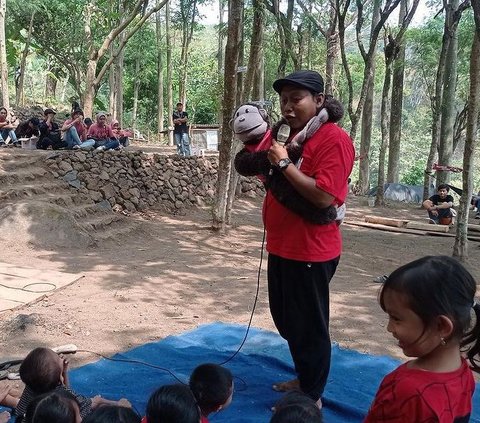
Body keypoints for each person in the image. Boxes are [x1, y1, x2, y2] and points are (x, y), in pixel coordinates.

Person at [263, 70, 355, 408]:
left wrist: (285, 164)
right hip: (282, 246)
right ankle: (305, 377)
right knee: (287, 320)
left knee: (309, 327)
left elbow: (324, 198)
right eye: (284, 100)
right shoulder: (290, 138)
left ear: (318, 101)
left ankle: (311, 396)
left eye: (296, 99)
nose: (287, 107)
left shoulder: (334, 139)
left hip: (311, 251)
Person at [364, 255, 479, 422]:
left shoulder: (406, 389)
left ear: (441, 326)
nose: (389, 328)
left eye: (396, 318)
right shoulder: (463, 373)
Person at [15, 347, 131, 422]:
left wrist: (63, 372)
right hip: (67, 415)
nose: (60, 356)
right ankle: (120, 405)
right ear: (60, 379)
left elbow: (63, 390)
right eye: (57, 356)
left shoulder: (31, 386)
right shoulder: (66, 397)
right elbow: (68, 394)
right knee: (96, 401)